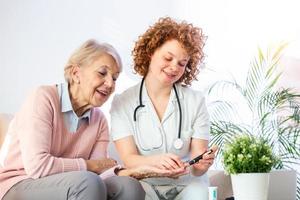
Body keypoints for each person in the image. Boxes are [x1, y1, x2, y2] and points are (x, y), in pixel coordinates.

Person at [0, 39, 146, 200]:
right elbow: (38, 167)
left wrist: (124, 172)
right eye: (102, 73)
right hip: (20, 183)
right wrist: (90, 165)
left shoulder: (99, 121)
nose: (110, 84)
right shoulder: (43, 97)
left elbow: (100, 171)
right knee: (88, 182)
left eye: (115, 78)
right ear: (76, 74)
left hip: (70, 183)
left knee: (129, 187)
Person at [110, 17, 217, 200]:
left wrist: (203, 163)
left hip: (188, 184)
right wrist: (156, 161)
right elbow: (129, 159)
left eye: (182, 63)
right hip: (145, 185)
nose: (174, 67)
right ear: (151, 52)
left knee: (198, 193)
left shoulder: (196, 101)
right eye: (168, 58)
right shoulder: (123, 102)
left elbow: (198, 166)